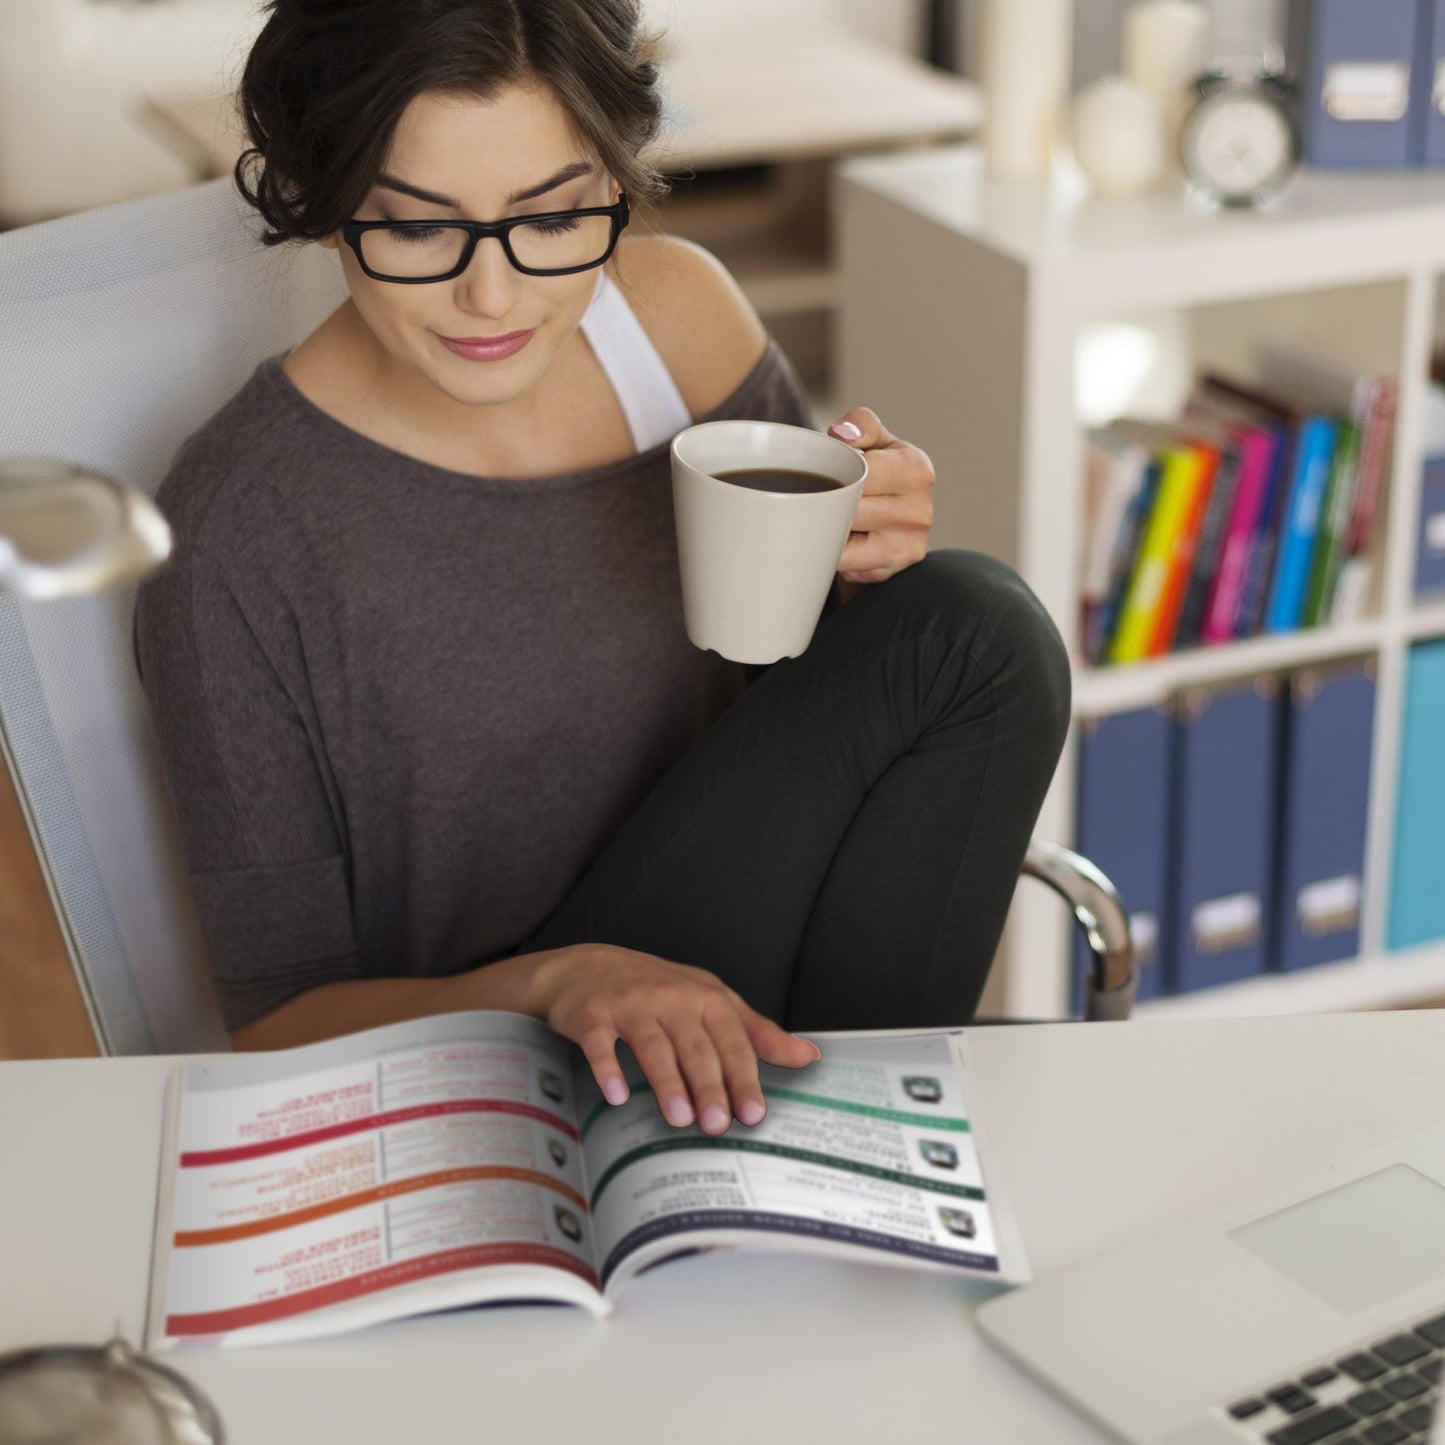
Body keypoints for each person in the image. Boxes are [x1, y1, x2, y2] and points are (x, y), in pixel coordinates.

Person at [135, 0, 1071, 1141]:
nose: (494, 295)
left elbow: (807, 700)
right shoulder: (236, 531)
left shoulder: (672, 327)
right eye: (420, 228)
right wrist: (555, 981)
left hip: (756, 1002)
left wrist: (869, 554)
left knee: (969, 626)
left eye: (553, 214)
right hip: (506, 1064)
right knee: (973, 632)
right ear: (326, 200)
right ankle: (848, 1150)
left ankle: (823, 1151)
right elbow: (279, 1026)